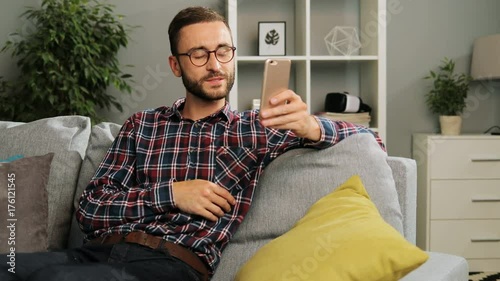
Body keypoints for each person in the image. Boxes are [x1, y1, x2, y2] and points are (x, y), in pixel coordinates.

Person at [0, 6, 384, 281]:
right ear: (175, 65)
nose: (215, 64)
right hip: (93, 253)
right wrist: (170, 194)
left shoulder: (257, 129)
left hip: (168, 266)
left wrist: (309, 126)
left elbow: (371, 141)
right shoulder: (143, 125)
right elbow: (91, 208)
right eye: (199, 54)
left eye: (223, 51)